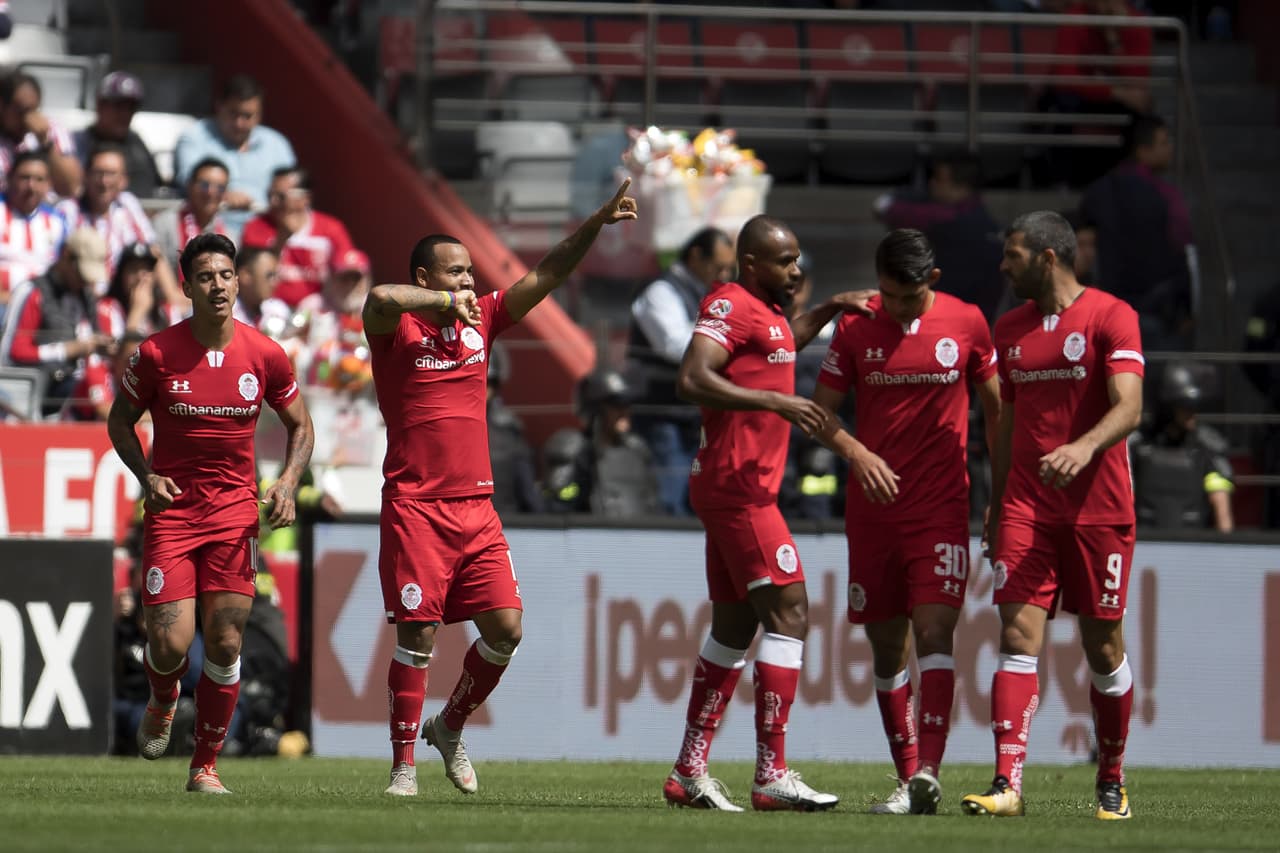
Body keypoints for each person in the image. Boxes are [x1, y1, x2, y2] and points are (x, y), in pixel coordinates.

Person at [362, 179, 637, 797]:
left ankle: (449, 726)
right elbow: (379, 296)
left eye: (468, 273)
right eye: (453, 273)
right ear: (425, 278)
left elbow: (547, 274)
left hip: (476, 506)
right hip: (417, 505)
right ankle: (402, 767)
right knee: (419, 634)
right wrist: (435, 306)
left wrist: (594, 223)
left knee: (507, 629)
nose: (466, 282)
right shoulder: (396, 330)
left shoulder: (484, 320)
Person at [663, 215, 871, 812]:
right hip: (739, 488)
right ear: (752, 264)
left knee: (733, 629)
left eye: (799, 259)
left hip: (737, 486)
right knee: (790, 610)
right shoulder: (730, 303)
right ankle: (771, 774)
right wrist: (774, 400)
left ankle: (688, 772)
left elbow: (780, 347)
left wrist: (829, 306)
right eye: (786, 261)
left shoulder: (770, 314)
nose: (796, 269)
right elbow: (691, 377)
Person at [105, 232, 315, 794]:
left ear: (238, 279)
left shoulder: (265, 353)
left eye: (225, 274)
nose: (218, 285)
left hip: (234, 517)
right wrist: (146, 473)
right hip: (173, 515)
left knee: (225, 643)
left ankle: (205, 766)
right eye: (205, 277)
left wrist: (289, 482)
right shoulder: (155, 353)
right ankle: (163, 695)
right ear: (187, 285)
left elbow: (300, 424)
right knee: (170, 646)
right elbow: (119, 422)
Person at [960, 211, 1144, 820]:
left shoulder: (1112, 316)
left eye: (1012, 255)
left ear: (1046, 257)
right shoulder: (1007, 329)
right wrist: (995, 501)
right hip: (1026, 508)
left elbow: (1130, 407)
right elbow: (1006, 425)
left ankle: (1111, 780)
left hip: (1099, 509)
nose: (1002, 266)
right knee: (1016, 638)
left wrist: (1084, 446)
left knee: (1102, 645)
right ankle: (1007, 784)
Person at [810, 229, 1001, 814]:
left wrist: (1002, 491)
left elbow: (997, 411)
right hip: (872, 514)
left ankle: (930, 772)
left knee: (937, 633)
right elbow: (818, 413)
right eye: (888, 295)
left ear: (932, 283)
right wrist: (858, 453)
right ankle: (908, 780)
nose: (893, 308)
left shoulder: (968, 323)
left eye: (906, 298)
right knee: (888, 649)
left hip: (941, 508)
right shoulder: (855, 327)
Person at [626, 227, 737, 516]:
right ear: (696, 256)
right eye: (718, 266)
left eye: (728, 268)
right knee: (669, 500)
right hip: (662, 416)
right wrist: (723, 342)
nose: (724, 275)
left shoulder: (704, 293)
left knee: (696, 498)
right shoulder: (661, 291)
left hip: (691, 416)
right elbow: (673, 344)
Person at [1080, 113, 1195, 349]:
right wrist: (1186, 306)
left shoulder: (1097, 191)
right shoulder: (1166, 196)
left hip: (1106, 312)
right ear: (1142, 150)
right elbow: (1181, 249)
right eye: (1164, 142)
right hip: (1157, 310)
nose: (1170, 149)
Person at [873, 152, 1006, 323]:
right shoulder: (992, 226)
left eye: (938, 179)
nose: (932, 184)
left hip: (942, 320)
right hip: (979, 321)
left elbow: (884, 207)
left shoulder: (941, 219)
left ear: (961, 185)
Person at [1, 227, 116, 415]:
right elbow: (11, 353)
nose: (86, 282)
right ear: (67, 256)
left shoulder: (86, 296)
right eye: (81, 274)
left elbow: (92, 345)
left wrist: (103, 347)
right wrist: (68, 350)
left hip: (75, 397)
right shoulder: (32, 292)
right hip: (28, 404)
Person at [174, 74, 296, 239]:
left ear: (259, 115)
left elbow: (292, 191)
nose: (239, 123)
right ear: (219, 107)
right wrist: (223, 193)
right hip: (209, 234)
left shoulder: (277, 144)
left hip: (267, 236)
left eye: (247, 116)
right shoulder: (195, 137)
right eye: (233, 113)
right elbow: (189, 181)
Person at [542, 369, 662, 517]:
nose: (625, 411)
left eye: (627, 404)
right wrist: (580, 484)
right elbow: (557, 501)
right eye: (616, 405)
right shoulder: (573, 449)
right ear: (596, 409)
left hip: (640, 537)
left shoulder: (637, 449)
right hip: (592, 537)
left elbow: (653, 502)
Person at [1130, 362, 1234, 532]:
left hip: (1193, 547)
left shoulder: (1207, 445)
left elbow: (1221, 504)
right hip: (1144, 543)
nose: (1193, 414)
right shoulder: (1138, 443)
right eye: (1186, 407)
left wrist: (1228, 550)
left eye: (1194, 407)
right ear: (1168, 408)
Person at [241, 166, 355, 308]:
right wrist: (281, 239)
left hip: (321, 311)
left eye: (281, 196)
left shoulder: (331, 229)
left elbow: (349, 273)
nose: (274, 202)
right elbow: (252, 278)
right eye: (270, 195)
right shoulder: (256, 227)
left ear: (305, 198)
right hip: (271, 311)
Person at [73, 71, 163, 199]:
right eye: (118, 106)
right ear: (100, 104)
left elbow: (151, 189)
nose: (125, 114)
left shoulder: (137, 143)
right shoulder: (78, 143)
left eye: (131, 107)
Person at [0, 152, 68, 315]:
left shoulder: (57, 222)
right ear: (9, 179)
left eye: (39, 179)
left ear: (48, 184)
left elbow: (63, 271)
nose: (31, 186)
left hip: (42, 310)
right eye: (24, 178)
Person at [0, 71, 82, 198]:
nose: (27, 119)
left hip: (46, 212)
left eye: (33, 110)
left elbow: (71, 187)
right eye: (20, 111)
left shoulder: (53, 131)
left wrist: (45, 142)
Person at [153, 157, 231, 271]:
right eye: (205, 185)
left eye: (220, 188)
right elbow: (155, 263)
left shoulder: (228, 235)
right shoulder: (165, 224)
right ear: (190, 185)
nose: (210, 192)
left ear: (225, 194)